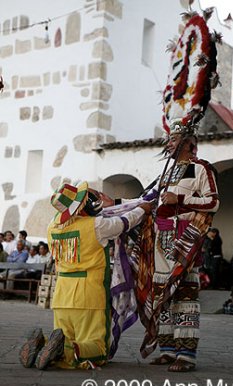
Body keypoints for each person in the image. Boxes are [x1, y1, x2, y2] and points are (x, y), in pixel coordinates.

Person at [101, 132, 219, 372]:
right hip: (159, 241)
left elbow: (213, 202)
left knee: (185, 295)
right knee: (160, 296)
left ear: (189, 144)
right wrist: (114, 203)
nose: (169, 144)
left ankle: (186, 355)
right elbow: (145, 201)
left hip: (184, 240)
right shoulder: (165, 173)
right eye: (170, 140)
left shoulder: (201, 168)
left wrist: (181, 198)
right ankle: (167, 350)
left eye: (174, 140)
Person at [19, 181, 152, 370]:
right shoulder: (95, 225)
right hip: (89, 293)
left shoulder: (51, 227)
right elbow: (123, 223)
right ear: (82, 205)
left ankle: (45, 344)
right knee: (98, 348)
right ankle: (62, 349)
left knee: (65, 335)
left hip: (62, 294)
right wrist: (141, 209)